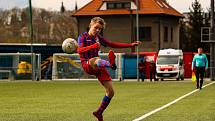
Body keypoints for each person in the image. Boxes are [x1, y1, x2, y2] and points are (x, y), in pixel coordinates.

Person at [77, 17, 141, 121]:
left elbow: (111, 44)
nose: (98, 30)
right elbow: (79, 50)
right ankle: (110, 64)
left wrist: (130, 45)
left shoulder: (98, 38)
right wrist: (93, 46)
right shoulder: (82, 37)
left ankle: (99, 113)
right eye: (96, 28)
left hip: (99, 65)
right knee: (96, 59)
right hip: (88, 64)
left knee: (110, 92)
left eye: (100, 29)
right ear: (90, 25)